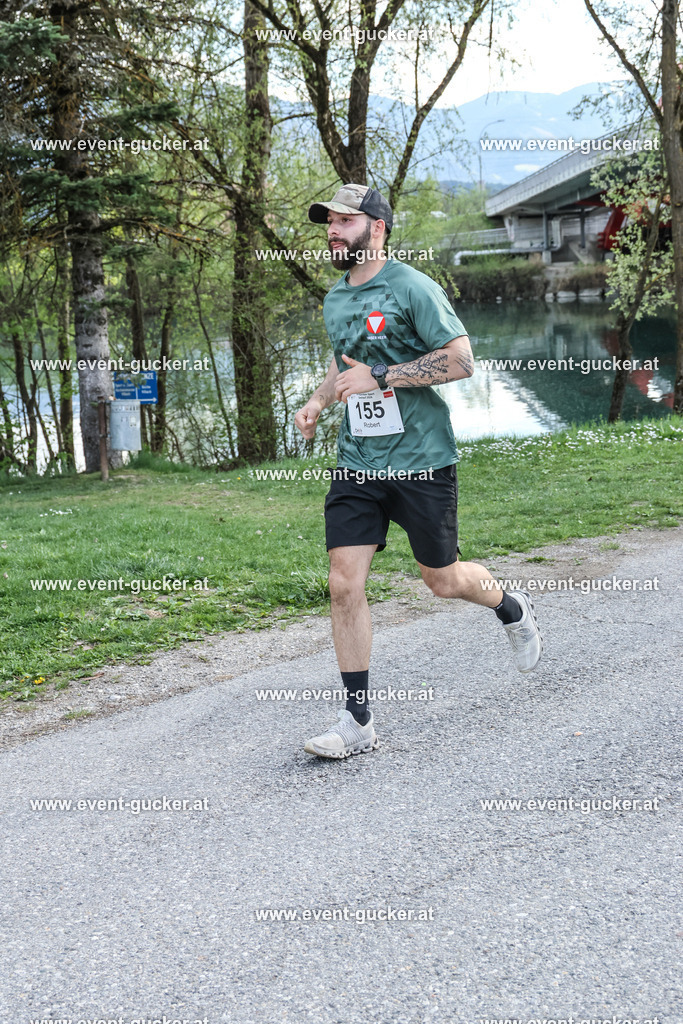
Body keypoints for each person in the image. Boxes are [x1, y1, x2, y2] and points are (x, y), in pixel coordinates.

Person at [294, 183, 542, 759]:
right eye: (328, 222)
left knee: (442, 579)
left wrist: (384, 377)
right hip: (358, 461)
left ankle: (510, 606)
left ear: (376, 227)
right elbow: (344, 371)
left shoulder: (412, 286)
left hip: (421, 461)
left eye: (344, 222)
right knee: (342, 582)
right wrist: (318, 402)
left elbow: (460, 359)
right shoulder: (335, 298)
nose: (332, 231)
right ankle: (357, 721)